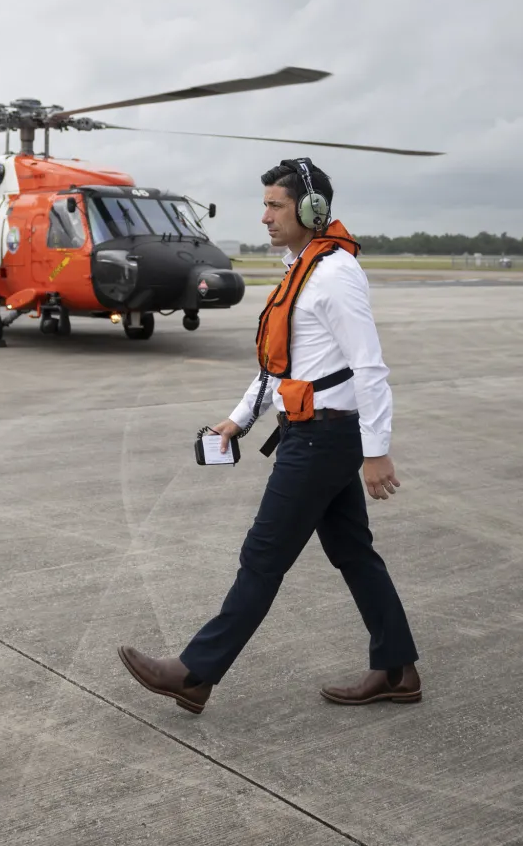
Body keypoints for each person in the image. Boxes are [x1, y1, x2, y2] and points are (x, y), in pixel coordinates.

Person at [117, 158, 420, 714]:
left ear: (311, 209)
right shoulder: (300, 267)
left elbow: (369, 368)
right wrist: (239, 420)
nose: (264, 217)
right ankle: (398, 669)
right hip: (313, 430)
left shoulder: (334, 274)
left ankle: (195, 672)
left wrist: (376, 451)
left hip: (323, 439)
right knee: (354, 553)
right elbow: (281, 367)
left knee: (262, 557)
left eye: (275, 205)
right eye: (265, 205)